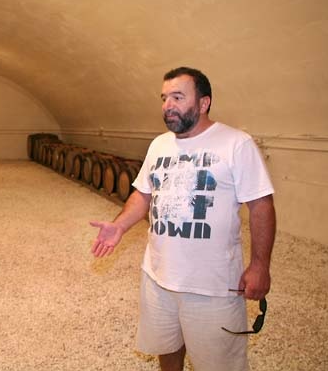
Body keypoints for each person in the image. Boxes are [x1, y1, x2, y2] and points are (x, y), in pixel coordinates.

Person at [90, 67, 276, 371]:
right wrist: (119, 225)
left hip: (212, 285)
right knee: (166, 347)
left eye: (178, 97)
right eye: (164, 98)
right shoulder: (159, 144)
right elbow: (143, 194)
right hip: (158, 277)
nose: (167, 106)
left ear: (204, 103)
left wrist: (259, 266)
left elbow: (261, 206)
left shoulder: (235, 143)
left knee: (218, 363)